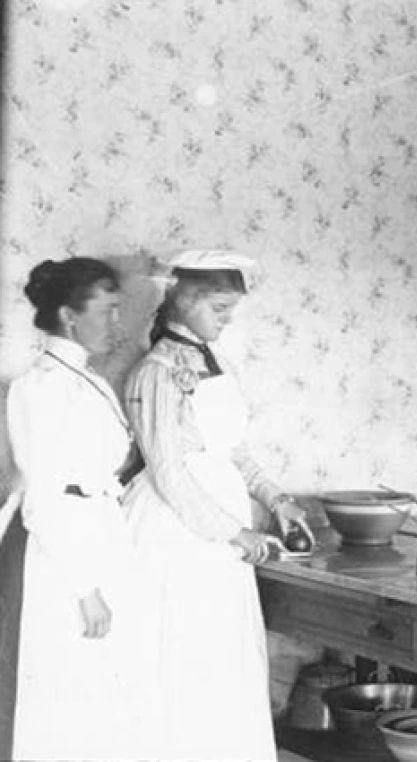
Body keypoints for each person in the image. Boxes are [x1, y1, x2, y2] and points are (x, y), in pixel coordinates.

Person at [121, 249, 313, 761]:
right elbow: (168, 471)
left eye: (231, 310)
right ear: (185, 301)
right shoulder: (156, 372)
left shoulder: (216, 362)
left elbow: (233, 448)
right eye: (220, 309)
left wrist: (277, 499)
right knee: (185, 655)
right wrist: (234, 532)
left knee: (222, 654)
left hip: (219, 526)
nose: (228, 321)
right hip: (177, 530)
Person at [7, 257, 151, 761]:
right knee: (61, 695)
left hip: (97, 534)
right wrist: (83, 588)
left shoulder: (87, 379)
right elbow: (44, 497)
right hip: (60, 553)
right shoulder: (40, 387)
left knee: (101, 693)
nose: (118, 324)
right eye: (108, 311)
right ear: (70, 316)